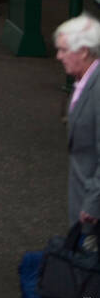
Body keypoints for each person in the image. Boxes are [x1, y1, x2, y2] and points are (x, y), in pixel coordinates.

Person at [54, 14, 100, 242]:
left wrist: (93, 204)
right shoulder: (84, 80)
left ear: (83, 51)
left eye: (63, 50)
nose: (58, 56)